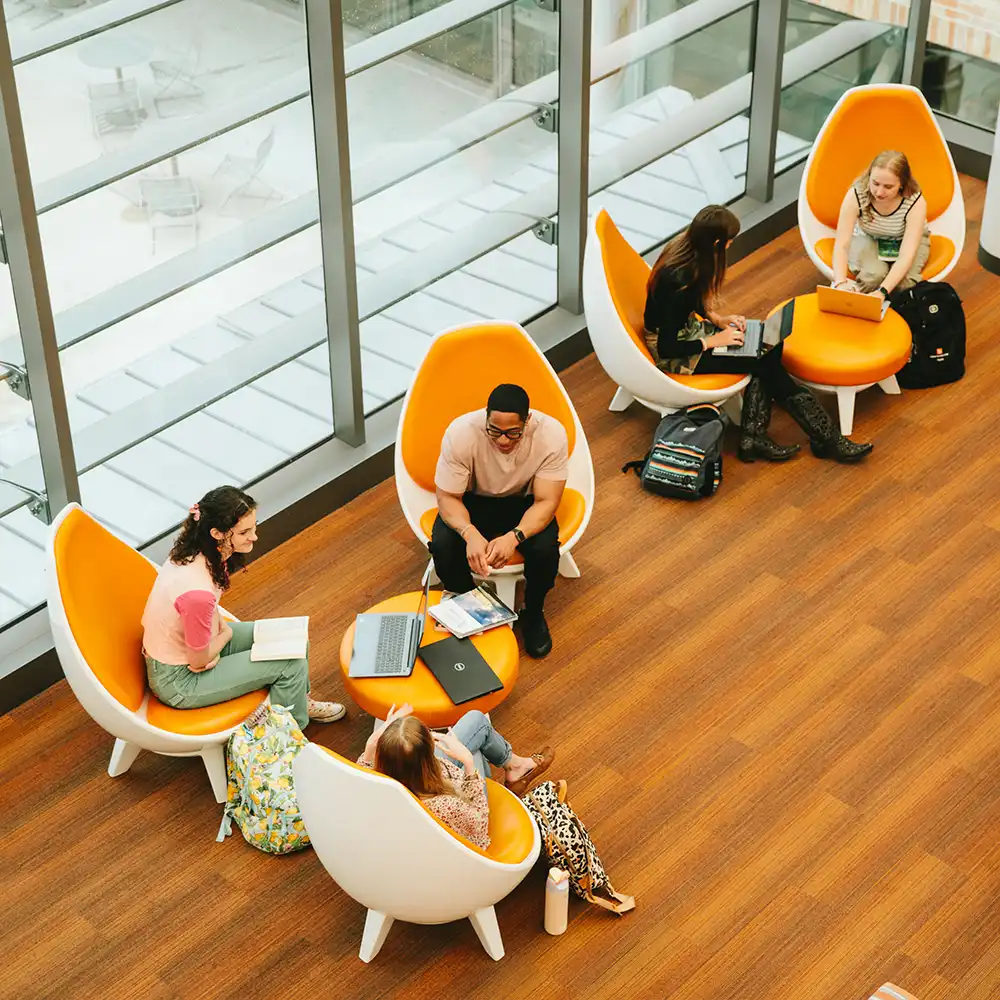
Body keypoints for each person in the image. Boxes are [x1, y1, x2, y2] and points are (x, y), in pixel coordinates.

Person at [644, 204, 873, 464]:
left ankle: (759, 437)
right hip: (680, 352)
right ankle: (823, 439)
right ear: (716, 242)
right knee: (763, 357)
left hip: (689, 333)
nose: (730, 246)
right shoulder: (679, 278)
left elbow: (687, 305)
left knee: (768, 349)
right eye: (728, 242)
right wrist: (713, 341)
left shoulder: (688, 251)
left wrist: (717, 319)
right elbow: (667, 348)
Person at [141, 485, 345, 729]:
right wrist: (225, 634)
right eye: (244, 532)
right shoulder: (197, 591)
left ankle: (298, 700)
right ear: (217, 533)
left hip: (188, 648)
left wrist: (216, 632)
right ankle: (285, 739)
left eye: (254, 527)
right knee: (290, 664)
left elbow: (202, 611)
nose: (254, 537)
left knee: (294, 638)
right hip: (178, 681)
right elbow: (198, 660)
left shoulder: (196, 552)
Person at [429, 383, 568, 658]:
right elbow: (447, 497)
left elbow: (547, 502)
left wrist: (514, 536)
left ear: (527, 420)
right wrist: (469, 533)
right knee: (444, 545)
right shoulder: (461, 433)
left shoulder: (551, 434)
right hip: (473, 499)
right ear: (486, 417)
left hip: (524, 502)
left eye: (513, 433)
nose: (503, 440)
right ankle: (467, 604)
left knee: (545, 550)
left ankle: (533, 611)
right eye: (495, 431)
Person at [357, 704, 555, 850]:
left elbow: (360, 774)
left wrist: (370, 746)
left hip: (424, 783)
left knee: (477, 722)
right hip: (471, 819)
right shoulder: (444, 805)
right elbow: (479, 830)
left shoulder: (374, 780)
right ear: (429, 753)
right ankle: (516, 769)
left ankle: (515, 766)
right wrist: (468, 763)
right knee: (477, 745)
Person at [831, 149, 930, 297]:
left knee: (905, 284)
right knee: (873, 276)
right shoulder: (856, 194)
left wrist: (883, 291)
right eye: (875, 183)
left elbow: (906, 255)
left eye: (888, 187)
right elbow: (842, 244)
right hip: (868, 236)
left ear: (902, 184)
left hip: (904, 238)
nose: (879, 192)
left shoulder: (915, 201)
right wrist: (839, 282)